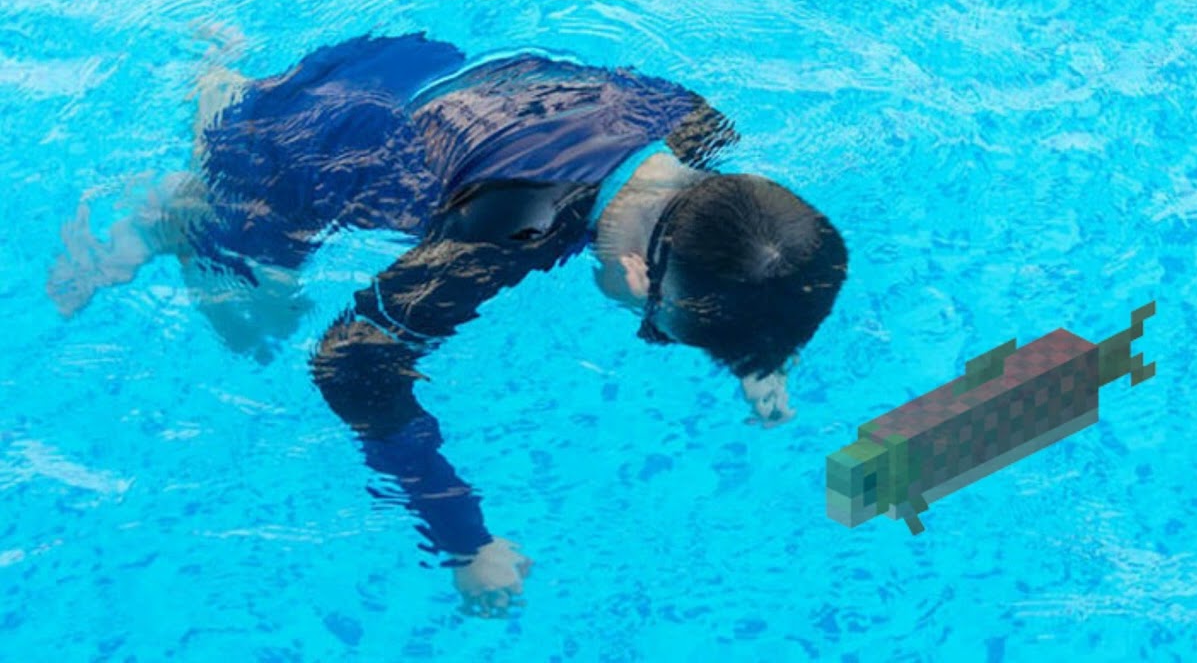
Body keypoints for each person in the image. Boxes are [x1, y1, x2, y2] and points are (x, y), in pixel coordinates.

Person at [47, 33, 849, 617]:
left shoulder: (695, 126)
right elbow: (349, 364)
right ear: (639, 278)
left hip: (404, 64)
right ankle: (180, 206)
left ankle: (231, 68)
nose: (653, 330)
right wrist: (464, 542)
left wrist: (750, 345)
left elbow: (742, 251)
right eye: (658, 328)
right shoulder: (515, 229)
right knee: (253, 327)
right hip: (287, 159)